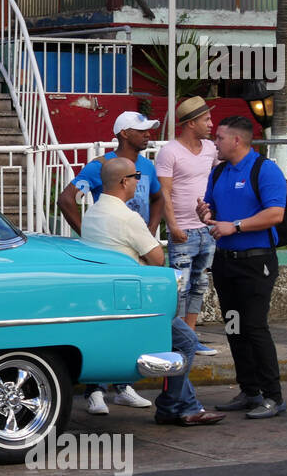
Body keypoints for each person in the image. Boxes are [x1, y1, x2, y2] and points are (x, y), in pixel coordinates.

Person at [79, 157, 225, 425]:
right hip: (135, 301)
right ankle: (173, 406)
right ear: (124, 182)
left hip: (106, 299)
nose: (138, 181)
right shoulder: (126, 217)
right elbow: (158, 258)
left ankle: (187, 406)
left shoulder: (93, 214)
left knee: (181, 342)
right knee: (187, 342)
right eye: (135, 177)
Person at [56, 110, 164, 414]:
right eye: (141, 130)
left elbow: (158, 198)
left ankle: (122, 385)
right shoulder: (101, 166)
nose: (148, 134)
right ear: (124, 133)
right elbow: (67, 199)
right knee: (105, 322)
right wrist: (90, 236)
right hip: (111, 257)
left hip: (137, 249)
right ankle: (95, 390)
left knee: (128, 325)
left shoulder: (147, 167)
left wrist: (150, 232)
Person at [198, 116, 287, 420]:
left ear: (236, 140)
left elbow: (275, 214)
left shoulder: (264, 169)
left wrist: (234, 226)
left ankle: (273, 396)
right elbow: (212, 208)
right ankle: (249, 390)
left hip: (256, 261)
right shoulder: (220, 171)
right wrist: (206, 212)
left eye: (220, 138)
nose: (215, 143)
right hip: (226, 262)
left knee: (254, 326)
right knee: (234, 327)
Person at [156, 96, 220, 355]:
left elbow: (219, 176)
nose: (211, 124)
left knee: (200, 284)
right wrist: (173, 226)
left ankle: (190, 336)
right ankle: (180, 339)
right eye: (206, 119)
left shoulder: (211, 149)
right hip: (183, 229)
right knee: (180, 289)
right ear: (192, 123)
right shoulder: (170, 151)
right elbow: (164, 192)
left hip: (207, 228)